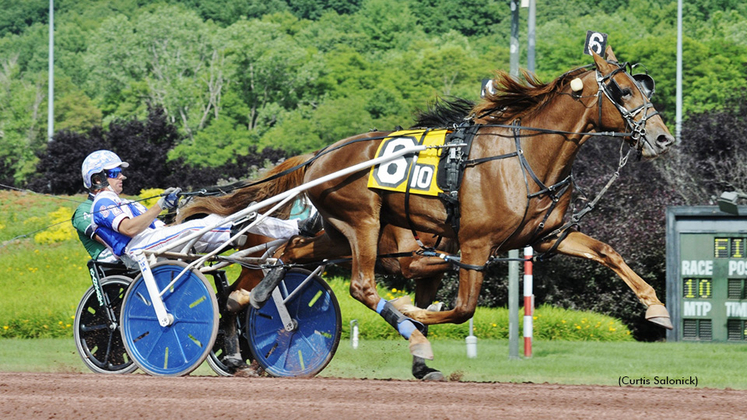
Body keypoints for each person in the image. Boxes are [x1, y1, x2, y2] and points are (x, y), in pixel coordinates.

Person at [81, 150, 321, 264]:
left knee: (226, 218)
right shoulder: (104, 201)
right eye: (114, 173)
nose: (121, 177)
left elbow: (158, 226)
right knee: (221, 222)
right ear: (97, 179)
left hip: (151, 241)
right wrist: (158, 205)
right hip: (137, 249)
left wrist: (170, 209)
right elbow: (130, 229)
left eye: (120, 172)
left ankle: (291, 228)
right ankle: (295, 228)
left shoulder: (121, 202)